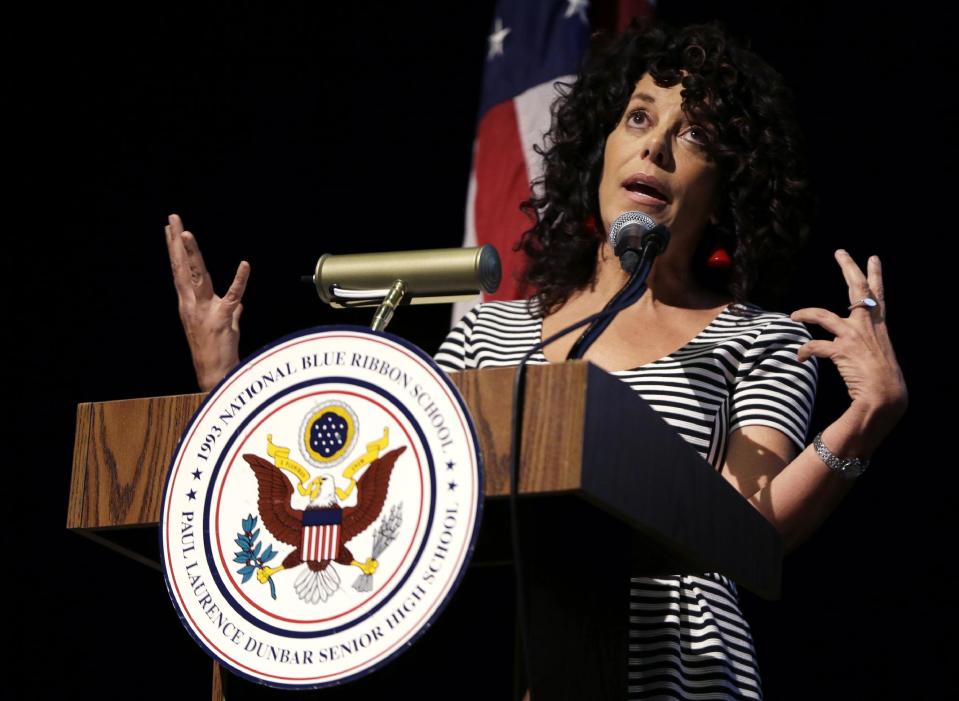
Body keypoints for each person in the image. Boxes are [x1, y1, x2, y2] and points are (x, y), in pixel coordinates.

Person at [165, 19, 907, 700]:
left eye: (694, 135)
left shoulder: (758, 338)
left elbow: (750, 526)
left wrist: (865, 419)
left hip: (678, 674)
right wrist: (225, 390)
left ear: (723, 189)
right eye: (639, 118)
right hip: (493, 659)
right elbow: (386, 497)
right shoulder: (490, 336)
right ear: (601, 150)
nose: (653, 146)